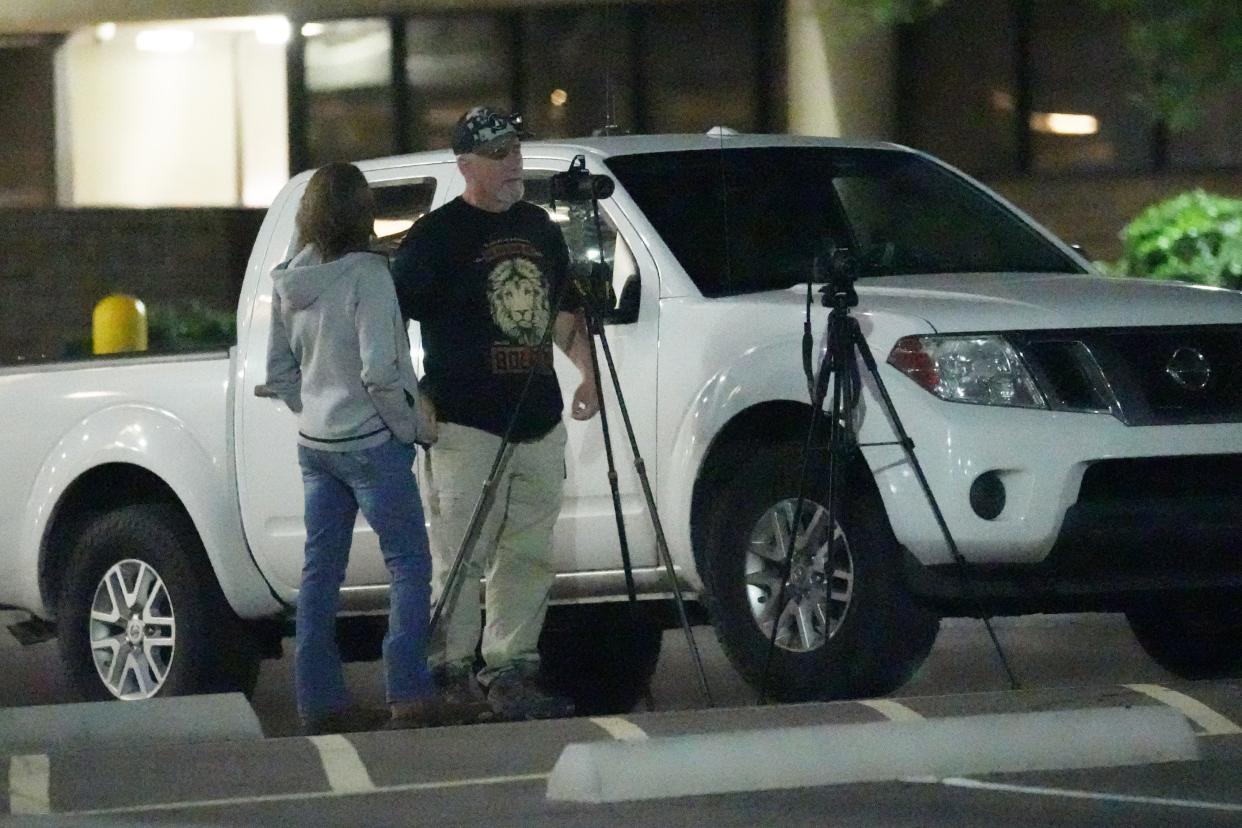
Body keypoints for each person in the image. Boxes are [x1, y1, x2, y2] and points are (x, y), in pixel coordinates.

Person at [391, 106, 600, 720]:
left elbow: (562, 312)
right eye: (499, 154)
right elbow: (386, 321)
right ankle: (449, 671)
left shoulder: (539, 227)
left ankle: (512, 671)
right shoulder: (434, 236)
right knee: (460, 552)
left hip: (538, 416)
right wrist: (414, 396)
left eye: (515, 149)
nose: (514, 163)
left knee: (528, 551)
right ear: (466, 166)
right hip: (464, 422)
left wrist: (587, 370)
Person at [265, 162, 484, 735]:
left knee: (320, 575)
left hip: (315, 447)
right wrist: (411, 428)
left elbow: (279, 372)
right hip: (371, 444)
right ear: (362, 212)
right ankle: (408, 692)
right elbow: (381, 372)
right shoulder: (368, 275)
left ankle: (319, 702)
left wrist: (315, 409)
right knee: (409, 565)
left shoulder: (288, 278)